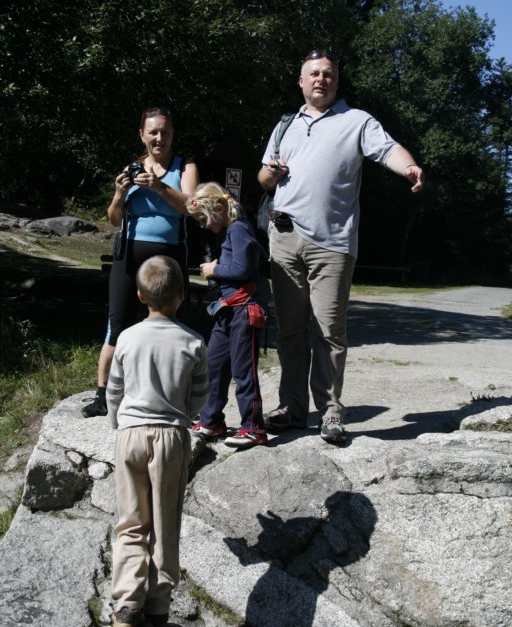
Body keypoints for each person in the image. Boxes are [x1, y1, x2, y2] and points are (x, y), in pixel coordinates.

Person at [257, 49, 425, 444]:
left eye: (328, 74)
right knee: (289, 330)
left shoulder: (356, 121)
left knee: (329, 331)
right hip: (283, 238)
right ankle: (291, 407)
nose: (321, 79)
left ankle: (330, 413)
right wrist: (271, 173)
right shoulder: (285, 125)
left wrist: (409, 166)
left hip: (332, 243)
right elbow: (263, 178)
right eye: (314, 73)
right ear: (301, 81)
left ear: (337, 81)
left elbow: (388, 149)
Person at [106, 255, 209, 627]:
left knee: (131, 521)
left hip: (130, 435)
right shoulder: (193, 342)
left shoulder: (127, 338)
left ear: (138, 295)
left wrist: (117, 422)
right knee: (165, 522)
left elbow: (114, 389)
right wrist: (186, 415)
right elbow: (199, 396)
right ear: (182, 295)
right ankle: (157, 606)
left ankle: (126, 604)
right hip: (171, 438)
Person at [82, 106, 199, 418]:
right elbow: (113, 218)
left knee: (171, 323)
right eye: (153, 132)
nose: (159, 138)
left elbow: (191, 206)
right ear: (142, 135)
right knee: (117, 322)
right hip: (129, 252)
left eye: (165, 132)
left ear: (172, 134)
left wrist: (158, 186)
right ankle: (103, 394)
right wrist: (119, 194)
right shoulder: (132, 167)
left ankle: (174, 393)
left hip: (169, 253)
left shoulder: (184, 166)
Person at [186, 183, 271, 449]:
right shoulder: (228, 232)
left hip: (245, 309)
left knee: (243, 370)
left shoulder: (238, 229)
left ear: (219, 209)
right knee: (214, 364)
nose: (201, 225)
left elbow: (242, 269)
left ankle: (253, 428)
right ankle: (211, 421)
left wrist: (215, 270)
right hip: (228, 309)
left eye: (203, 219)